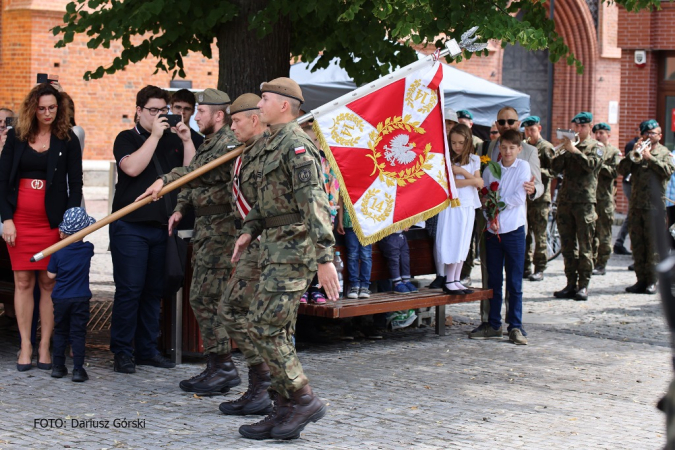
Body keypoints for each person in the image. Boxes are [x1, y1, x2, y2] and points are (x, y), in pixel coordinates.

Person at [232, 77, 340, 440]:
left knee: (263, 327)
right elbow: (267, 201)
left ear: (284, 105)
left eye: (264, 99)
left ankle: (302, 397)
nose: (258, 105)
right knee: (275, 330)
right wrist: (249, 229)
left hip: (295, 250)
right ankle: (284, 409)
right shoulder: (270, 143)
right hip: (274, 247)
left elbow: (314, 201)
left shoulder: (296, 145)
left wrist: (325, 257)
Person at [138, 88, 241, 392]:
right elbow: (197, 182)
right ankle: (218, 365)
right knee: (202, 297)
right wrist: (181, 208)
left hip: (222, 230)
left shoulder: (229, 143)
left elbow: (196, 172)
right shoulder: (210, 142)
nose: (195, 117)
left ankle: (222, 365)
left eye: (202, 112)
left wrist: (165, 181)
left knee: (208, 298)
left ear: (218, 114)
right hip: (207, 228)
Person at [108, 85, 195, 374]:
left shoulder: (171, 140)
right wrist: (155, 136)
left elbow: (189, 173)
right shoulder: (126, 138)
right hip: (130, 227)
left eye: (163, 111)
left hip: (161, 228)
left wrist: (185, 140)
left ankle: (146, 349)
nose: (159, 116)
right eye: (153, 111)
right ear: (139, 110)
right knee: (130, 289)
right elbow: (132, 168)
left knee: (152, 292)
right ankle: (122, 351)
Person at [0, 82, 83, 372]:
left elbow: (76, 185)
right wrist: (6, 219)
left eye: (52, 108)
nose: (47, 113)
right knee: (22, 281)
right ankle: (25, 344)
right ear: (32, 108)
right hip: (20, 221)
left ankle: (45, 345)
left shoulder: (67, 139)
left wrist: (69, 223)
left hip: (52, 221)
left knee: (49, 282)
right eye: (42, 108)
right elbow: (2, 180)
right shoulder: (17, 137)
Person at [216, 93, 274, 417]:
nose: (232, 126)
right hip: (250, 240)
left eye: (236, 120)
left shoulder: (267, 151)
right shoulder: (245, 152)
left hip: (265, 242)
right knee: (238, 311)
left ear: (254, 119)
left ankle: (264, 384)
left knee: (233, 309)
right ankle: (261, 384)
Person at [470, 106, 541, 331]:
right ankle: (489, 320)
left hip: (514, 223)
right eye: (502, 122)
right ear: (497, 124)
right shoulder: (485, 147)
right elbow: (483, 185)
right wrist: (489, 212)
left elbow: (535, 183)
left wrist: (533, 190)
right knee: (490, 276)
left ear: (518, 123)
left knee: (514, 278)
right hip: (490, 225)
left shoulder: (528, 153)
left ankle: (514, 324)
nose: (506, 126)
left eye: (511, 121)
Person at [618, 119, 675, 294]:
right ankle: (640, 280)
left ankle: (653, 281)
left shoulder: (665, 153)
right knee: (638, 243)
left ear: (660, 135)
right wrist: (633, 154)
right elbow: (621, 170)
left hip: (654, 206)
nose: (649, 136)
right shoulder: (638, 151)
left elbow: (667, 171)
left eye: (653, 133)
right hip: (636, 205)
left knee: (653, 246)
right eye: (646, 133)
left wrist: (650, 158)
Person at [551, 112, 603, 301]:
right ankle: (570, 283)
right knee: (567, 246)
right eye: (576, 127)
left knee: (585, 246)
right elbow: (554, 168)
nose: (578, 130)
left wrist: (574, 151)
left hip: (584, 203)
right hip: (566, 202)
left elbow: (591, 166)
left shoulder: (596, 147)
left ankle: (583, 285)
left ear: (590, 127)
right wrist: (561, 151)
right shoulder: (569, 147)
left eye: (582, 127)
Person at [47, 207, 95, 382]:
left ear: (62, 232)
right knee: (78, 333)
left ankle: (58, 367)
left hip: (61, 298)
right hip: (81, 297)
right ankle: (78, 370)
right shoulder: (87, 249)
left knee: (60, 331)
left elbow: (50, 275)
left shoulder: (57, 252)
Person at [434, 124, 482, 294]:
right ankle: (448, 279)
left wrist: (462, 171)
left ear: (468, 141)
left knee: (463, 242)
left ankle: (456, 278)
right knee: (452, 241)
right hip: (453, 206)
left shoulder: (474, 160)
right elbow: (452, 184)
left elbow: (480, 183)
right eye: (454, 143)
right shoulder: (447, 160)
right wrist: (472, 181)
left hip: (468, 206)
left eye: (461, 143)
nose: (457, 147)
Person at [428, 107, 461, 290]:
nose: (447, 126)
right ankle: (440, 274)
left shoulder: (459, 144)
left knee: (451, 236)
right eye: (445, 122)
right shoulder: (433, 140)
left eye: (450, 123)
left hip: (453, 198)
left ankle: (451, 275)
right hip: (436, 196)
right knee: (437, 236)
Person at [522, 116, 555, 281]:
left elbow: (553, 171)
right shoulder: (523, 147)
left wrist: (535, 171)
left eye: (532, 130)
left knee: (540, 234)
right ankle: (525, 266)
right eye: (526, 130)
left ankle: (540, 268)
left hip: (540, 198)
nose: (529, 133)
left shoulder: (546, 148)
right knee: (525, 234)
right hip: (525, 197)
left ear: (539, 129)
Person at [591, 123, 621, 275]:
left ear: (608, 134)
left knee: (604, 233)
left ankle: (601, 263)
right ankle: (591, 261)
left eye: (601, 133)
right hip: (590, 197)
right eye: (596, 133)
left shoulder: (614, 152)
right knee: (591, 232)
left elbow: (615, 172)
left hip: (605, 198)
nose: (598, 135)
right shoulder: (592, 149)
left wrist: (598, 162)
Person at [614, 124, 644, 256]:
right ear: (637, 131)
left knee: (632, 214)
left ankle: (620, 242)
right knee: (632, 213)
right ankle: (620, 242)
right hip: (629, 182)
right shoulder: (632, 144)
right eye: (642, 131)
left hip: (637, 183)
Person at [337, 195, 373, 299]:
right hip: (349, 223)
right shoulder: (344, 179)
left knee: (366, 255)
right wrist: (340, 221)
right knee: (352, 255)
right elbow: (341, 200)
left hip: (366, 223)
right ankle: (354, 285)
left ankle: (365, 286)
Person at [379, 229, 418, 294]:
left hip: (401, 235)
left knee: (405, 259)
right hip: (388, 234)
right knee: (394, 259)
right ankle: (397, 283)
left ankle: (406, 280)